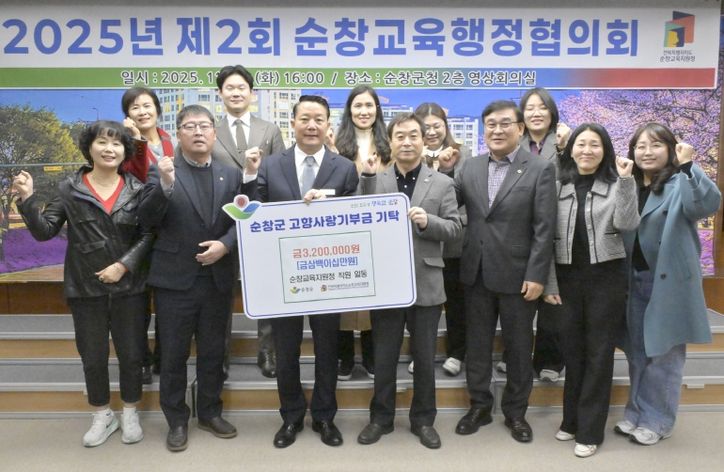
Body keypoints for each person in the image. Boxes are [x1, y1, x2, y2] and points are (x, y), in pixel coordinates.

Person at [13, 121, 153, 447]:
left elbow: (149, 235)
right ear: (89, 148)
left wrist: (123, 265)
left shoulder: (137, 189)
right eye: (102, 142)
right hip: (85, 288)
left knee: (132, 354)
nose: (109, 149)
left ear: (125, 152)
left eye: (116, 144)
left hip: (129, 288)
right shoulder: (70, 188)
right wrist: (28, 200)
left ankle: (130, 412)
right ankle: (102, 414)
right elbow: (45, 231)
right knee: (92, 356)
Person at [138, 105, 259, 452]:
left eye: (204, 126)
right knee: (173, 356)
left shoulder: (230, 175)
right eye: (189, 126)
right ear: (179, 134)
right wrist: (164, 185)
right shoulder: (162, 170)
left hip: (217, 280)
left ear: (214, 133)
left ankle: (209, 412)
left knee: (213, 353)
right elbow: (145, 219)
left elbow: (245, 218)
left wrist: (225, 245)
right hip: (174, 281)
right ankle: (177, 420)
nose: (198, 132)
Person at [254, 95, 358, 448]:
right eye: (305, 119)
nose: (312, 126)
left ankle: (325, 417)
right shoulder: (271, 166)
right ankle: (291, 416)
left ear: (328, 125)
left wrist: (332, 208)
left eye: (319, 119)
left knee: (328, 349)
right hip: (284, 274)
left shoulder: (344, 168)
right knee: (286, 350)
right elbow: (256, 215)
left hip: (328, 273)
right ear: (293, 123)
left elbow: (355, 219)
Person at [356, 112, 461, 449]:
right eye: (399, 136)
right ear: (390, 141)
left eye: (413, 135)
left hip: (426, 281)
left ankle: (423, 420)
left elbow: (455, 228)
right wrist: (366, 178)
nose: (407, 142)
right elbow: (358, 220)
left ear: (423, 140)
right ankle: (381, 418)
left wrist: (428, 221)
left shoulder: (442, 183)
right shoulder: (375, 179)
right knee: (384, 357)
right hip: (387, 284)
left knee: (425, 358)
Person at [454, 100, 556, 443]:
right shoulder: (469, 166)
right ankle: (479, 407)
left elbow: (544, 228)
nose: (497, 130)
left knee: (518, 348)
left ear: (520, 128)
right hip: (476, 272)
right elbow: (452, 206)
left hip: (519, 275)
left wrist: (537, 275)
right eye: (491, 125)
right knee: (477, 346)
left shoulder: (540, 168)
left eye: (504, 124)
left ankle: (516, 413)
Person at [616, 123, 721, 445]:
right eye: (640, 146)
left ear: (671, 149)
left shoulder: (681, 182)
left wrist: (689, 165)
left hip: (667, 282)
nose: (647, 152)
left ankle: (659, 420)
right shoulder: (630, 184)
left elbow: (706, 205)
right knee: (637, 352)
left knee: (664, 354)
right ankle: (636, 412)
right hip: (634, 280)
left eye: (656, 145)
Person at [542, 123, 639, 458]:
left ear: (605, 150)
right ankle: (571, 421)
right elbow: (545, 238)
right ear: (571, 150)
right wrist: (549, 283)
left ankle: (590, 430)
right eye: (581, 144)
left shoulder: (616, 184)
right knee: (573, 353)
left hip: (605, 280)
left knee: (599, 355)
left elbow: (628, 223)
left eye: (594, 144)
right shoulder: (558, 186)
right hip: (566, 281)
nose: (587, 150)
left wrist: (626, 181)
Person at [211, 64, 285, 379]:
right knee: (221, 290)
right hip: (221, 220)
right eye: (230, 87)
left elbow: (281, 171)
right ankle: (220, 353)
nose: (236, 93)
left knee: (266, 287)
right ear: (220, 93)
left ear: (252, 93)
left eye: (242, 87)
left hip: (261, 219)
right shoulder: (210, 129)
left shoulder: (269, 130)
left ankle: (268, 351)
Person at [408, 102, 471, 377]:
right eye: (426, 127)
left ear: (446, 126)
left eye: (437, 126)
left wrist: (447, 170)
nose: (432, 132)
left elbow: (462, 197)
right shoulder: (411, 154)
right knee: (421, 303)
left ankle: (456, 352)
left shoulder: (463, 153)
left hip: (453, 243)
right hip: (420, 244)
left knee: (456, 301)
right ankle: (421, 353)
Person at [334, 85, 391, 380]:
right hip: (343, 231)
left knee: (374, 296)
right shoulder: (335, 143)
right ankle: (345, 357)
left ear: (377, 109)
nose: (364, 111)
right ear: (349, 110)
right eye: (358, 105)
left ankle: (371, 357)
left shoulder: (389, 143)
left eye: (369, 105)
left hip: (379, 230)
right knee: (344, 295)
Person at [515, 87, 571, 382]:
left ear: (552, 113)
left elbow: (576, 175)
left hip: (559, 227)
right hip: (521, 230)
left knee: (554, 295)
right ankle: (517, 358)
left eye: (542, 107)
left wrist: (564, 149)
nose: (536, 113)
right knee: (521, 299)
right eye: (530, 108)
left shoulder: (566, 142)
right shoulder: (514, 144)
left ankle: (550, 360)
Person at [121, 86, 175, 383]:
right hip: (138, 227)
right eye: (134, 107)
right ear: (127, 115)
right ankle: (140, 359)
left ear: (157, 108)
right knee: (138, 300)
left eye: (147, 105)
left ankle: (162, 357)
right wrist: (138, 141)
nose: (142, 112)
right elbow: (140, 176)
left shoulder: (170, 139)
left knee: (167, 300)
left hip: (169, 226)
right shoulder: (123, 142)